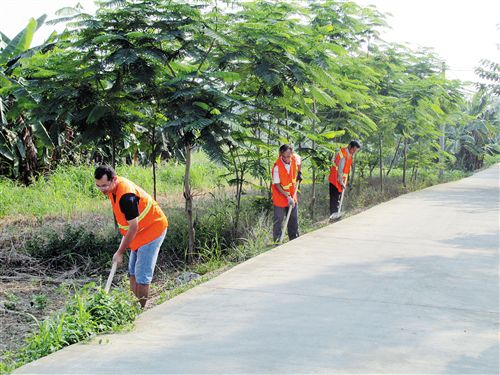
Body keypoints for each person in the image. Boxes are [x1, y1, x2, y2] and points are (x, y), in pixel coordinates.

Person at [94, 165, 168, 308]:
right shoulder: (113, 189)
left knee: (142, 275)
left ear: (113, 179)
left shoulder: (126, 197)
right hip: (139, 233)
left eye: (104, 185)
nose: (102, 189)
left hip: (152, 230)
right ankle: (132, 308)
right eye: (98, 186)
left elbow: (133, 226)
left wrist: (120, 252)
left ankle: (139, 311)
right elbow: (130, 226)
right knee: (132, 272)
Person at [272, 144, 301, 243]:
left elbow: (300, 160)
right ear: (281, 154)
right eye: (283, 156)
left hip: (292, 195)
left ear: (292, 154)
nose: (286, 159)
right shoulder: (277, 167)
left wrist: (299, 173)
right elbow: (277, 185)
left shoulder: (295, 159)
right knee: (278, 220)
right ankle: (277, 242)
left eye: (288, 156)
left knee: (293, 218)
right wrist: (287, 197)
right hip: (280, 196)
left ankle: (294, 240)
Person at [328, 140, 361, 218]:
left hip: (340, 180)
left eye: (356, 151)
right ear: (349, 146)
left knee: (338, 198)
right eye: (353, 150)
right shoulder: (343, 155)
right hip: (335, 180)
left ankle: (336, 215)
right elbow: (340, 170)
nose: (354, 152)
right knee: (334, 199)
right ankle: (333, 216)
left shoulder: (349, 154)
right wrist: (341, 182)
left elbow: (345, 170)